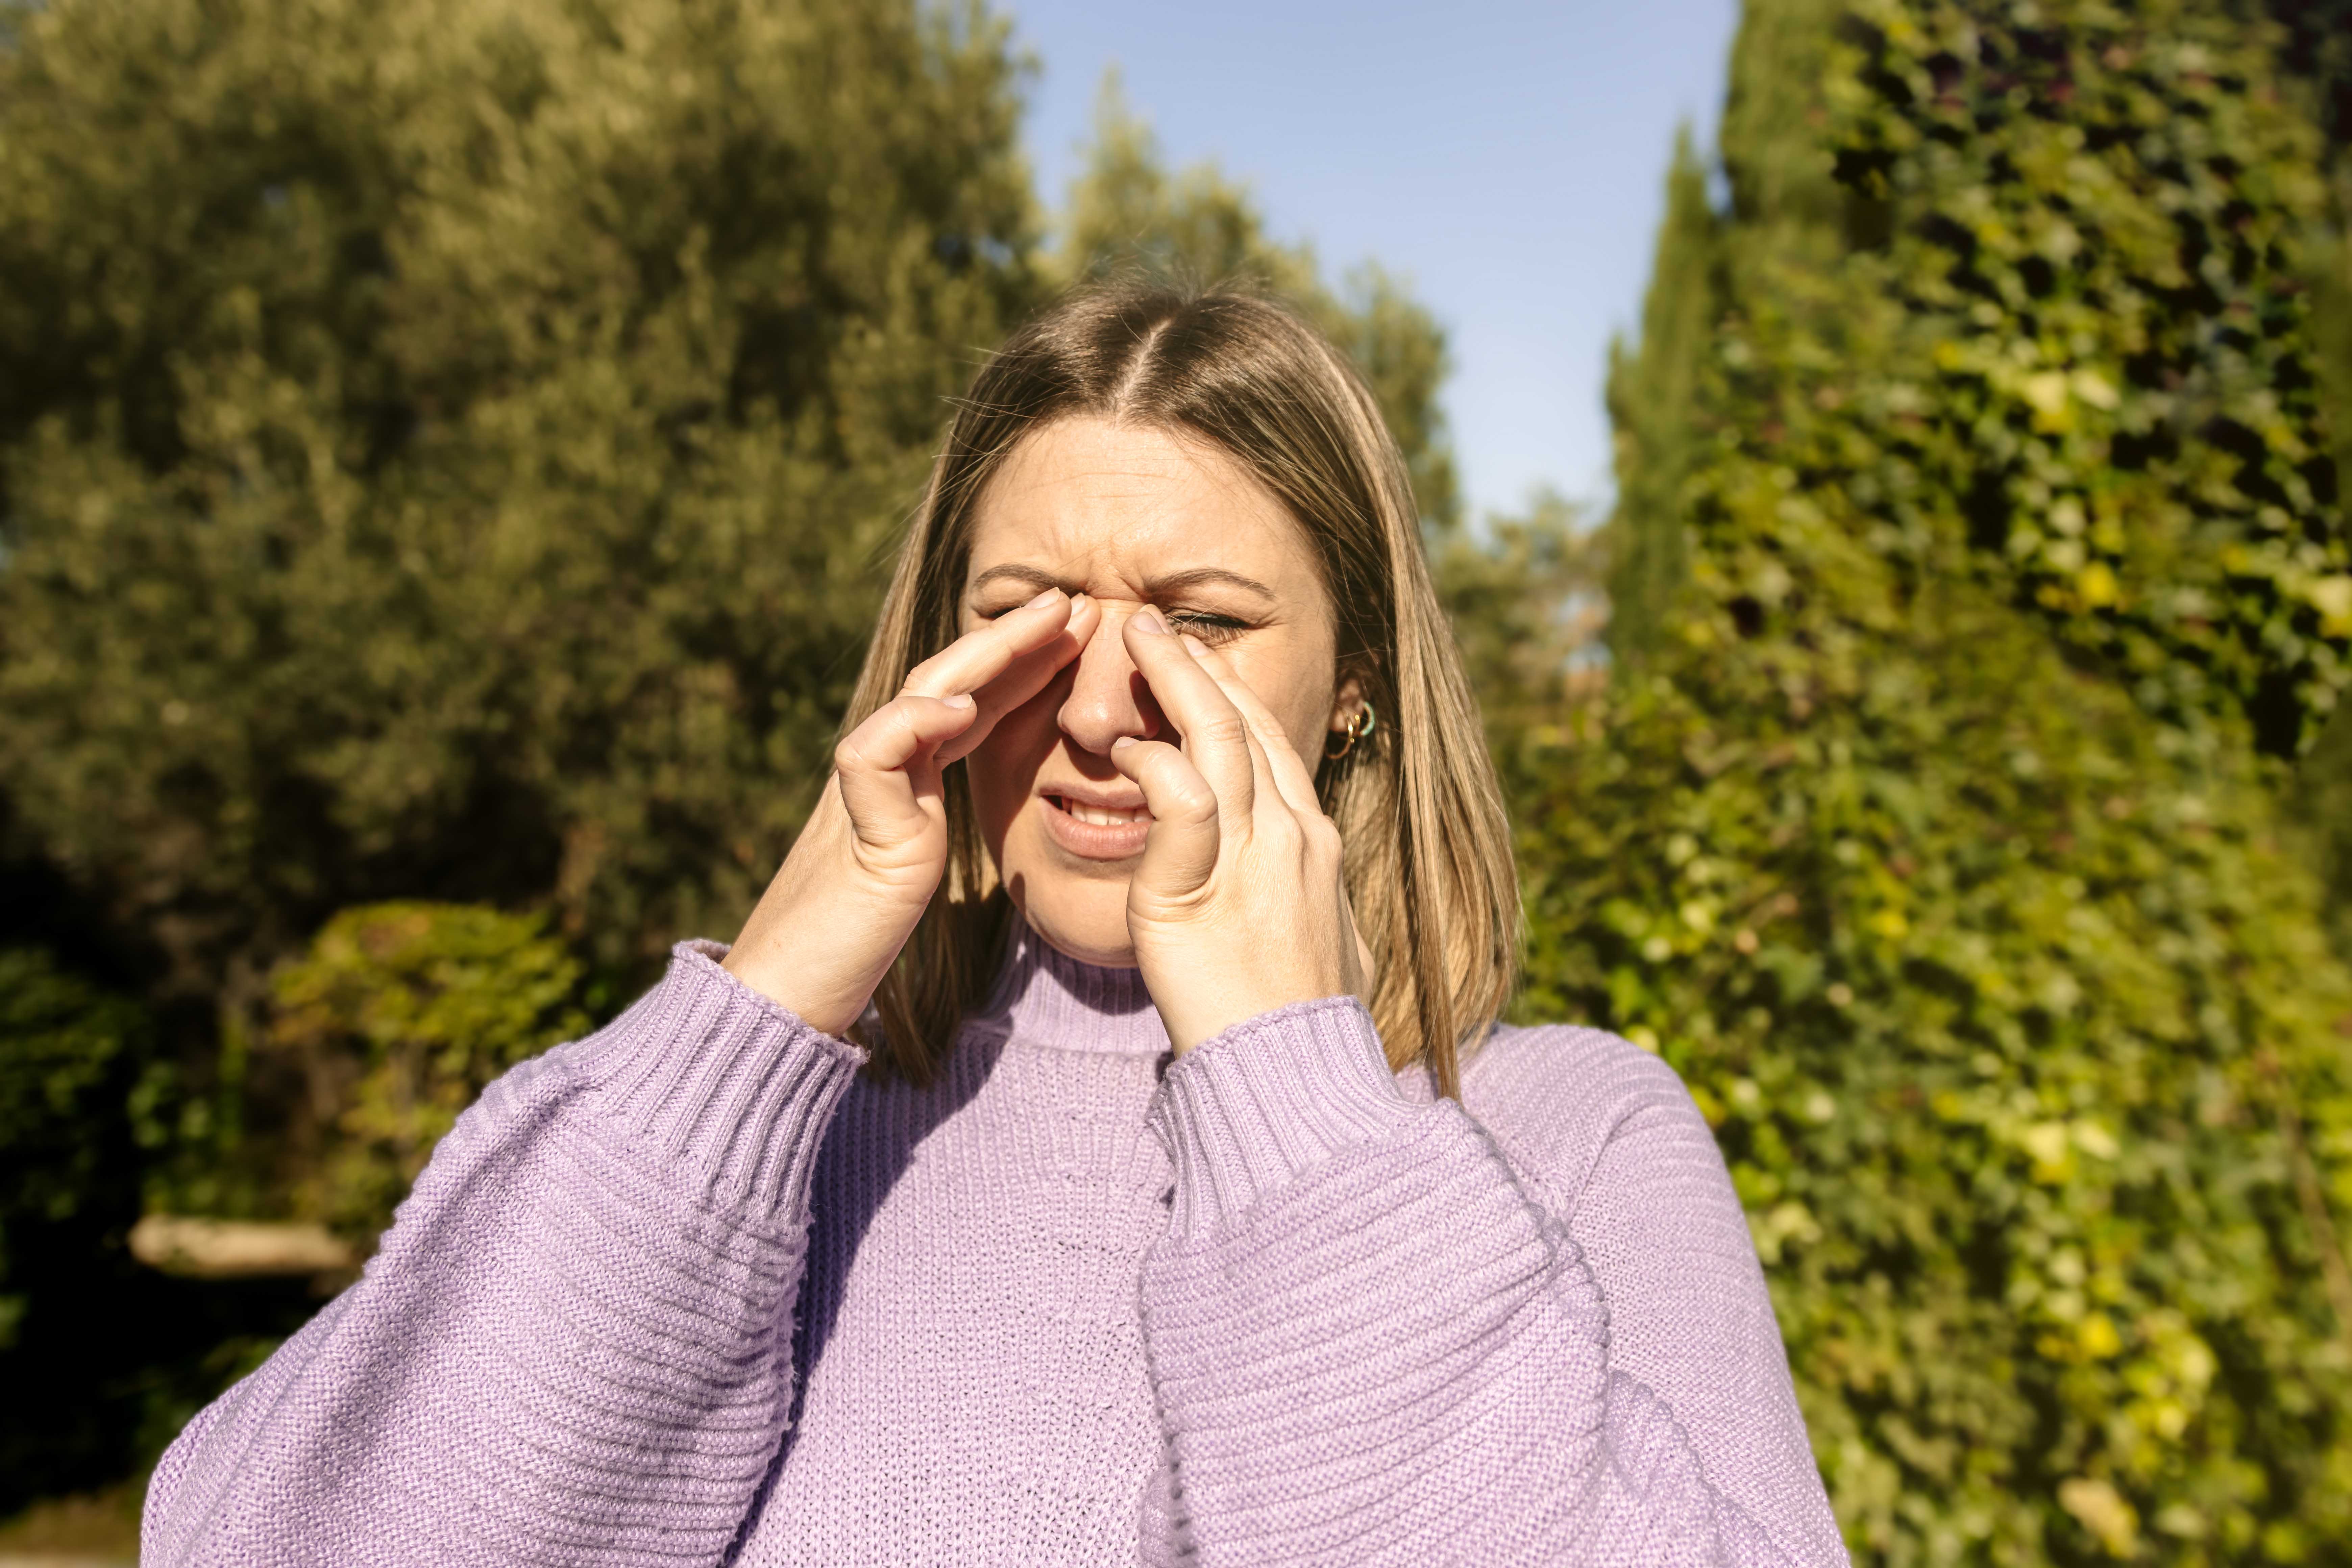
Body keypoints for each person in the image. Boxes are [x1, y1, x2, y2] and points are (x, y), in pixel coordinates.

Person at [141, 283, 1848, 1567]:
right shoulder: (751, 1143)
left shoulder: (1569, 1131)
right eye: (1022, 612)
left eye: (1202, 621)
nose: (1099, 704)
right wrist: (768, 1003)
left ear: (1356, 692)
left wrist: (1292, 1090)